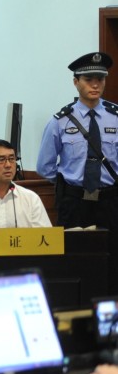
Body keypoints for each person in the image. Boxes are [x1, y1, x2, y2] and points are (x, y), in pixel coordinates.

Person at [37, 52, 118, 291]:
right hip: (74, 202)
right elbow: (45, 165)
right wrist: (71, 184)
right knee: (72, 258)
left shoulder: (116, 117)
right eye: (88, 79)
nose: (95, 84)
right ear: (76, 82)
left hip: (110, 201)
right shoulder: (60, 121)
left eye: (100, 79)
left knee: (112, 259)